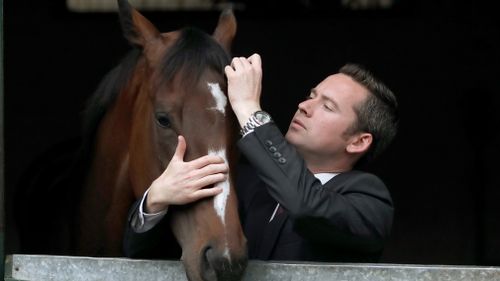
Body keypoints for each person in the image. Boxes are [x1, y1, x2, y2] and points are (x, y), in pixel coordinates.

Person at [123, 53, 398, 262]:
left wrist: (248, 110)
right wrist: (155, 200)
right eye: (311, 95)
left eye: (327, 106)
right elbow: (146, 256)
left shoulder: (370, 202)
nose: (304, 106)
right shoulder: (242, 183)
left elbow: (306, 207)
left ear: (358, 142)